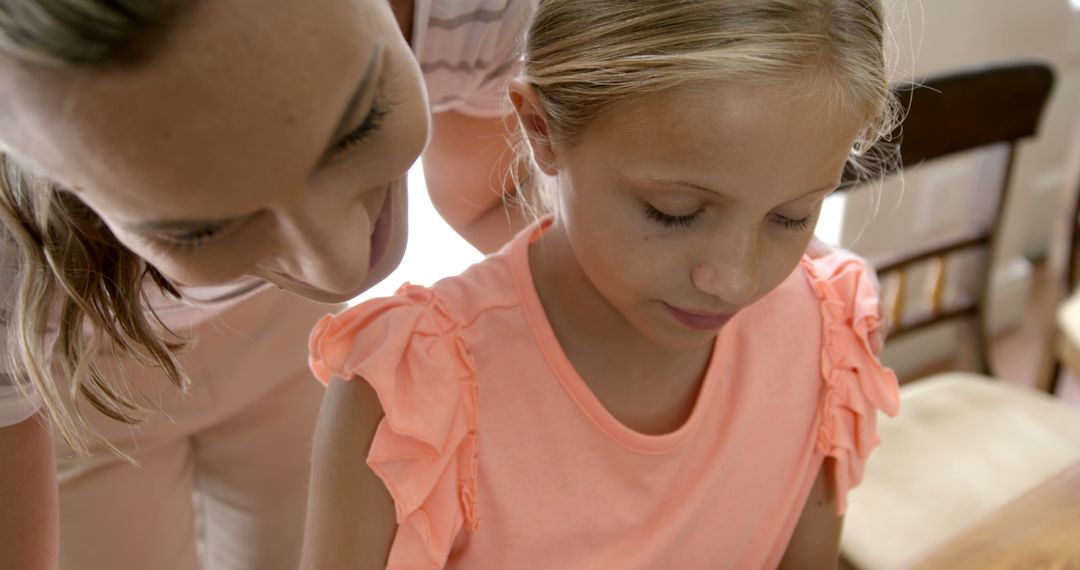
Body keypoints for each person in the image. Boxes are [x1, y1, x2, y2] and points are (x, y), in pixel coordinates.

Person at [302, 0, 903, 568]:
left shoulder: (827, 335)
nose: (733, 282)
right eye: (673, 211)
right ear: (541, 129)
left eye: (791, 217)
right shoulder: (410, 403)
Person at [0, 0, 533, 568]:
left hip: (286, 348)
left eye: (359, 126)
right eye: (203, 229)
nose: (344, 271)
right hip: (79, 394)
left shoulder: (477, 13)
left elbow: (498, 198)